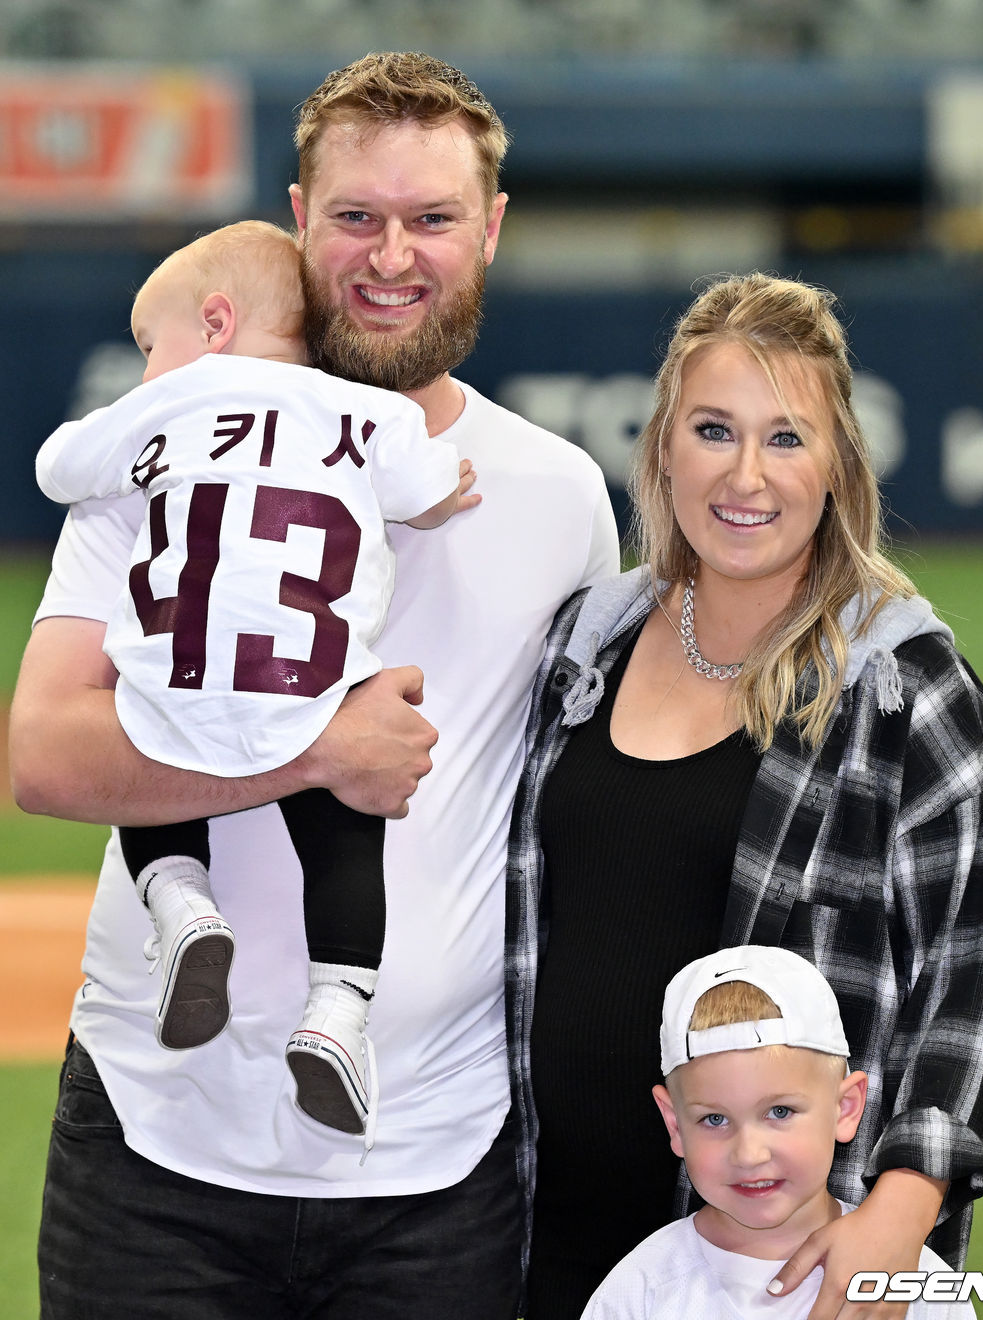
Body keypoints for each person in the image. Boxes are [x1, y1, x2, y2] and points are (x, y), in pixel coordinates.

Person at [10, 53, 621, 1319]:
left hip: (437, 1167)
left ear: (490, 230)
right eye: (356, 216)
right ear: (297, 218)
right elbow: (44, 757)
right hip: (151, 1150)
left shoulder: (559, 496)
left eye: (432, 218)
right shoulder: (168, 444)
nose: (392, 255)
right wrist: (318, 754)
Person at [505, 272, 983, 1319]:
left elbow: (977, 980)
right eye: (713, 430)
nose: (746, 474)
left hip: (784, 1271)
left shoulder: (900, 682)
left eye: (786, 438)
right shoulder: (582, 646)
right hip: (545, 1244)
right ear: (661, 447)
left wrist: (895, 1218)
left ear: (836, 465)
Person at [34, 217, 473, 1140]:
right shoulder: (366, 412)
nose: (149, 370)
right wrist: (446, 487)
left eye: (152, 346)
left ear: (218, 321)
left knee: (148, 758)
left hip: (177, 676)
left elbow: (60, 467)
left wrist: (128, 430)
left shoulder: (163, 408)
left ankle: (179, 898)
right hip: (313, 687)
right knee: (347, 834)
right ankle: (339, 1010)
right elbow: (431, 488)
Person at [581, 946, 979, 1319]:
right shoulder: (641, 1289)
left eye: (780, 1111)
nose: (749, 1154)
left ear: (845, 1108)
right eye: (715, 1119)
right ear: (674, 1123)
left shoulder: (914, 1285)